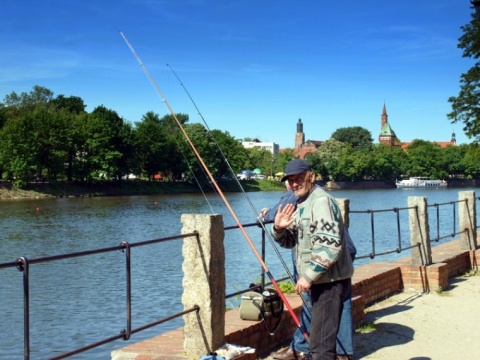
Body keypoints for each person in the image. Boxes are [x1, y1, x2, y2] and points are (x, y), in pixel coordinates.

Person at [261, 179, 356, 360]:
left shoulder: (313, 198)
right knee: (341, 306)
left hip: (324, 267)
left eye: (296, 179)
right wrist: (278, 228)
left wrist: (266, 216)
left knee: (319, 327)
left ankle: (302, 347)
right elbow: (289, 235)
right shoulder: (310, 197)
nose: (293, 185)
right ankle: (344, 353)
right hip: (342, 258)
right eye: (291, 180)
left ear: (309, 177)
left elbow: (278, 211)